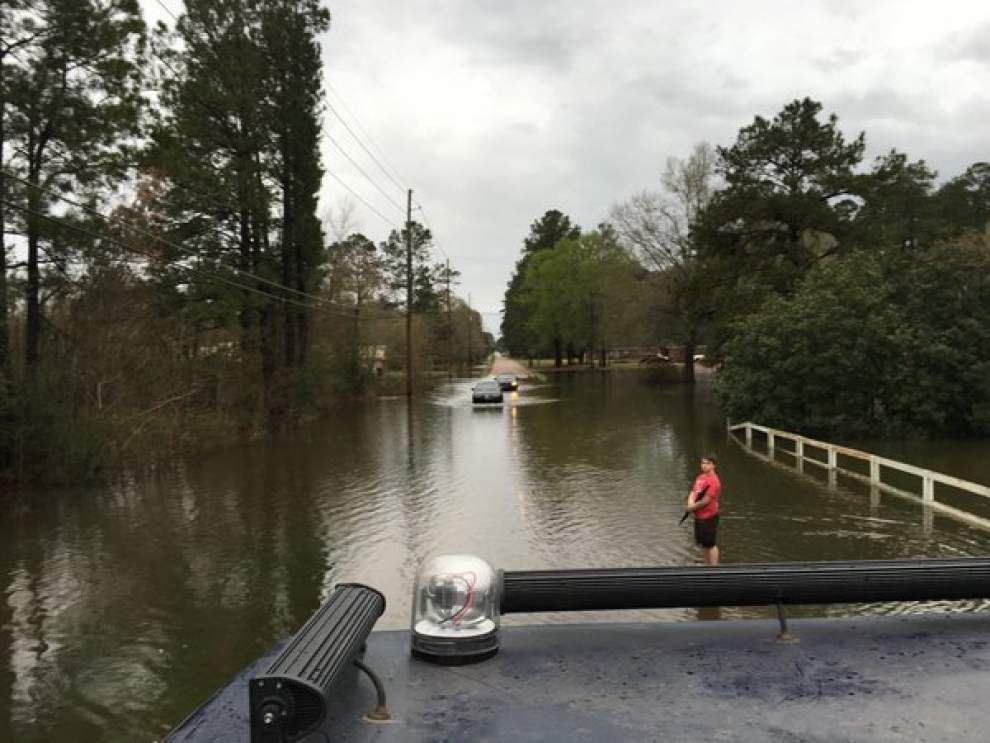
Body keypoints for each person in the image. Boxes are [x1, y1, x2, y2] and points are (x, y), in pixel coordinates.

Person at [685, 454, 721, 565]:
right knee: (703, 543)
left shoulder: (714, 481)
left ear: (714, 465)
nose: (704, 465)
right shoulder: (700, 477)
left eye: (708, 463)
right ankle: (707, 566)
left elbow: (706, 500)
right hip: (699, 516)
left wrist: (691, 507)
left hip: (709, 517)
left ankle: (714, 568)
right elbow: (693, 492)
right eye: (703, 463)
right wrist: (690, 502)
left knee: (711, 544)